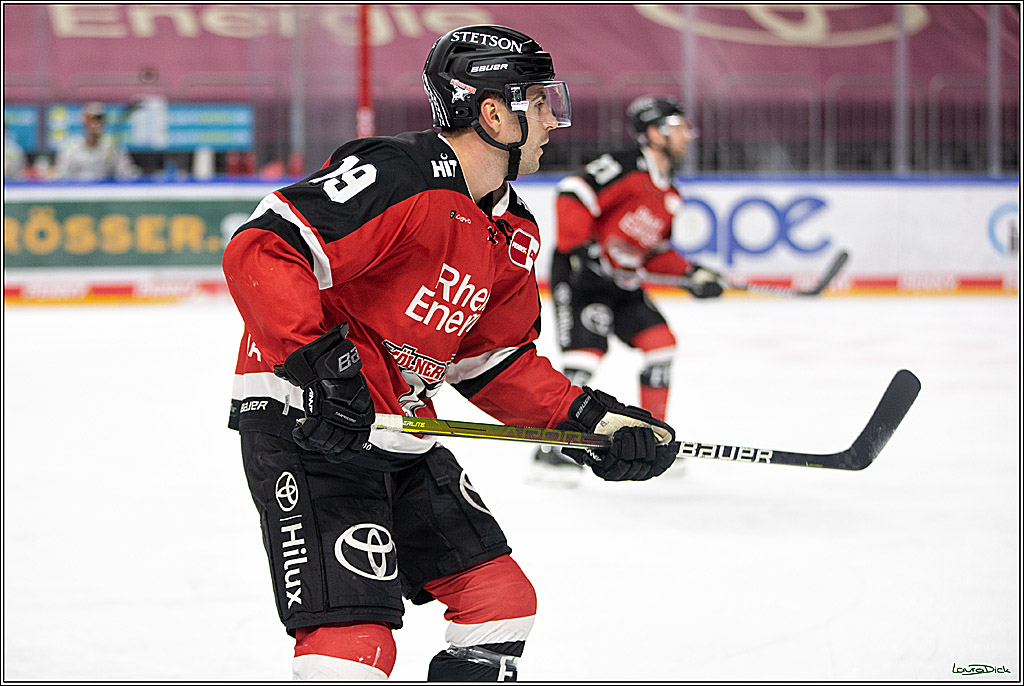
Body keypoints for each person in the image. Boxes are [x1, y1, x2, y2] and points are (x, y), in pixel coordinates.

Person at [222, 25, 680, 681]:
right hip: (310, 427)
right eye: (540, 103)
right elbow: (265, 247)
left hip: (399, 433)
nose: (554, 120)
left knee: (500, 603)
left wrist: (592, 423)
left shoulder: (513, 228)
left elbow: (493, 361)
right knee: (354, 647)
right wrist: (319, 364)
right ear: (493, 113)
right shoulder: (399, 174)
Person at [533, 96, 728, 477]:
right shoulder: (624, 166)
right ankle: (551, 450)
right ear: (654, 133)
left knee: (661, 345)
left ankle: (655, 441)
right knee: (585, 358)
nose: (688, 135)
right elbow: (573, 191)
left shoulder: (670, 194)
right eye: (678, 127)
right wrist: (582, 251)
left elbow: (653, 254)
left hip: (621, 281)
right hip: (582, 277)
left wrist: (693, 274)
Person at [53, 102, 138, 181]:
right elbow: (61, 177)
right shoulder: (70, 148)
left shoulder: (113, 148)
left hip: (104, 191)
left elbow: (127, 175)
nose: (97, 123)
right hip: (76, 190)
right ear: (85, 121)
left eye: (100, 119)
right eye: (92, 119)